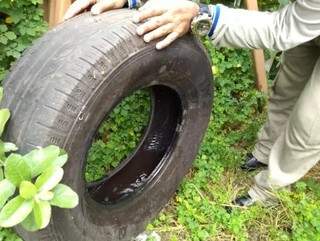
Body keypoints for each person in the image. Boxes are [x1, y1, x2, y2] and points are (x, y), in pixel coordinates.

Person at [64, 0, 320, 207]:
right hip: (308, 14)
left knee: (311, 120)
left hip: (305, 15)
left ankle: (270, 190)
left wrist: (202, 15)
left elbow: (280, 30)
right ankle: (264, 152)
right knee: (288, 86)